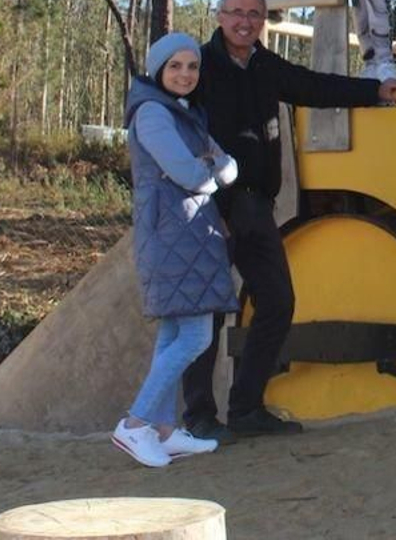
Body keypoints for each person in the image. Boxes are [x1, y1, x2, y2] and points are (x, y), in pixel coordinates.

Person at [181, 0, 396, 443]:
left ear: (264, 21)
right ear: (219, 16)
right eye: (236, 13)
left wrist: (375, 92)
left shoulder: (263, 64)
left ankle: (245, 409)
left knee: (278, 302)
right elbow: (174, 130)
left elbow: (313, 86)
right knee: (207, 314)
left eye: (255, 15)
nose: (245, 21)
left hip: (256, 204)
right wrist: (203, 203)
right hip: (210, 207)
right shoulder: (199, 68)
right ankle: (199, 417)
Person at [115, 33, 239, 468]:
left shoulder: (181, 112)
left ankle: (164, 432)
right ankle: (135, 424)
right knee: (196, 336)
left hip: (186, 233)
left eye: (192, 67)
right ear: (158, 70)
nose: (185, 74)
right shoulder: (152, 114)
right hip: (173, 236)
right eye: (176, 66)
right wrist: (215, 168)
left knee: (172, 335)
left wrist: (217, 167)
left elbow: (227, 164)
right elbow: (195, 174)